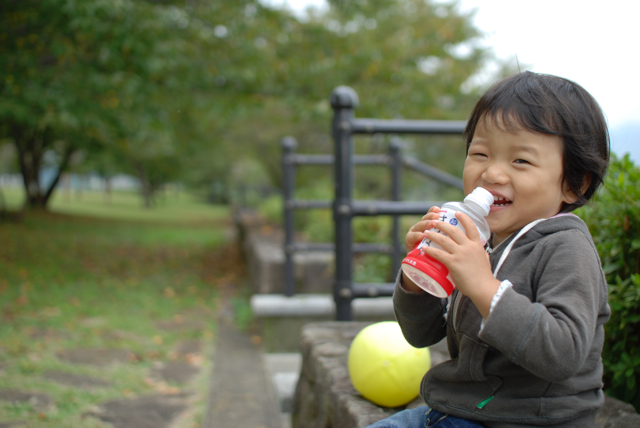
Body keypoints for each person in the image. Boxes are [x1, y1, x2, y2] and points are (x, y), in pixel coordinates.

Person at [367, 71, 611, 428]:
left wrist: (483, 287)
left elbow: (563, 353)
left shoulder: (566, 247)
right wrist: (418, 279)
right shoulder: (480, 238)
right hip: (460, 413)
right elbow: (421, 334)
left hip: (531, 421)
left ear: (574, 184)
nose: (492, 173)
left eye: (521, 161)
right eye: (480, 153)